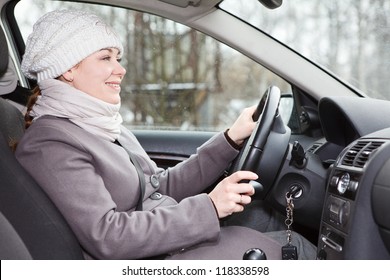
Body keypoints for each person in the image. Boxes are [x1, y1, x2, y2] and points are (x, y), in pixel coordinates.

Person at [15, 9, 317, 260]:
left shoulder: (100, 123)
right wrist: (209, 207)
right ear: (68, 69)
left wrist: (229, 139)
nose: (120, 70)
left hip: (164, 239)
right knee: (298, 249)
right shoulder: (51, 143)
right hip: (149, 259)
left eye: (117, 58)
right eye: (105, 58)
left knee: (271, 217)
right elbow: (109, 237)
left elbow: (160, 186)